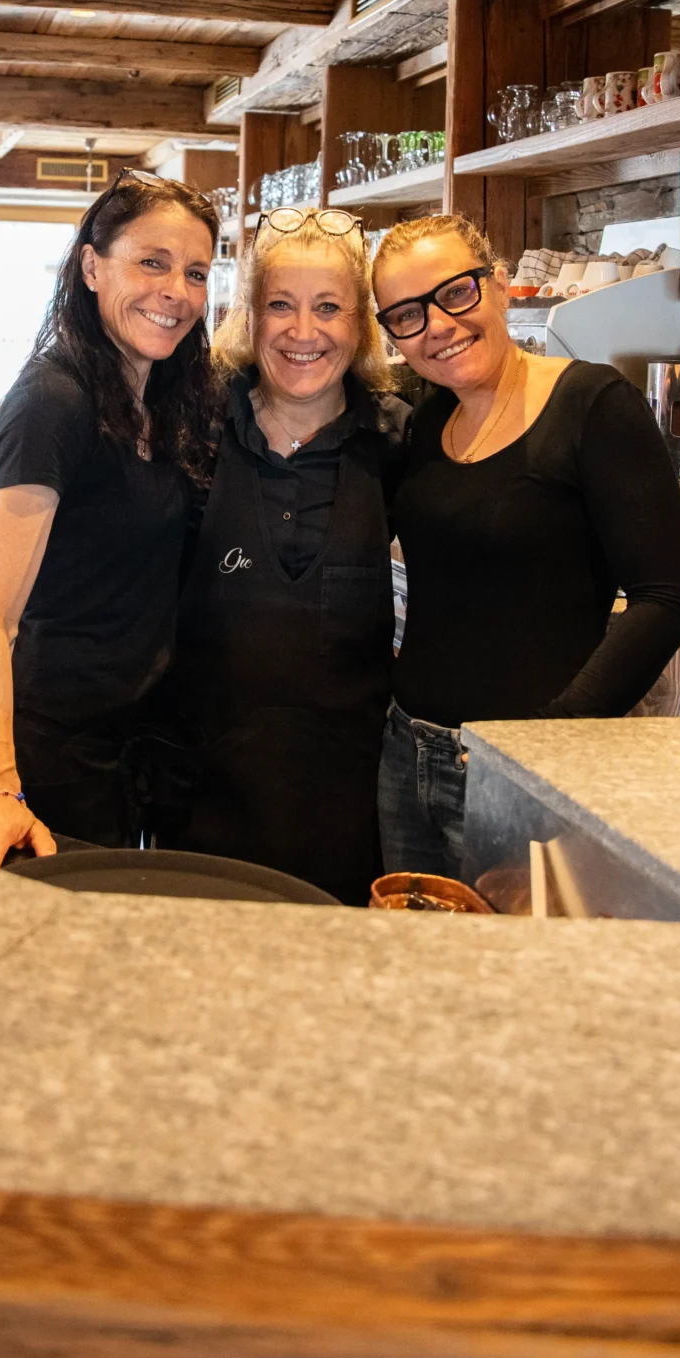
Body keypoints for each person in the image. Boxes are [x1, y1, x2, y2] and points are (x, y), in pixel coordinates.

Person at [371, 212, 680, 879]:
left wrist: (552, 739)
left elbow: (665, 599)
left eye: (454, 293)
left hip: (530, 773)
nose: (437, 325)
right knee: (420, 972)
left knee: (521, 972)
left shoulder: (591, 405)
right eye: (405, 314)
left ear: (497, 287)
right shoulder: (426, 417)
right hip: (407, 755)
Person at [0, 171, 220, 868]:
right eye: (151, 262)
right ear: (91, 266)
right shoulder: (54, 401)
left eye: (196, 272)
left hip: (135, 737)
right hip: (55, 749)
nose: (175, 292)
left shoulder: (164, 392)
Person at [153, 208, 408, 905]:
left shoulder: (398, 442)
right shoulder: (193, 425)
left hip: (347, 810)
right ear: (250, 316)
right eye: (279, 306)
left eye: (328, 307)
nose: (302, 332)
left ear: (359, 325)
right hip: (198, 798)